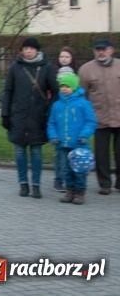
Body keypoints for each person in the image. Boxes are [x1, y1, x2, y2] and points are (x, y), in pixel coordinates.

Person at [1, 37, 58, 198]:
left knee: (36, 151)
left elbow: (55, 92)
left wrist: (49, 109)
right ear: (22, 50)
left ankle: (36, 184)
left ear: (37, 50)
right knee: (19, 151)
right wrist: (5, 113)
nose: (28, 51)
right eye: (25, 48)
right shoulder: (15, 67)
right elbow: (8, 91)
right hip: (18, 115)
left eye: (31, 48)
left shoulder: (46, 68)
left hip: (38, 116)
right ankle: (23, 183)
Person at [77, 38, 120, 195]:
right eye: (97, 49)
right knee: (101, 154)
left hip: (119, 116)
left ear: (111, 50)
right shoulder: (85, 70)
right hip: (98, 118)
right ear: (94, 51)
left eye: (104, 49)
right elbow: (81, 95)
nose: (100, 52)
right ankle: (104, 184)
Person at [47, 72, 97, 205]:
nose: (64, 88)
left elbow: (90, 121)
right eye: (62, 86)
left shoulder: (83, 104)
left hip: (79, 144)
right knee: (65, 169)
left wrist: (84, 134)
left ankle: (80, 191)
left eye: (67, 86)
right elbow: (51, 123)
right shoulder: (57, 105)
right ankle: (70, 190)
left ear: (74, 87)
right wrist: (53, 136)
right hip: (62, 144)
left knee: (79, 170)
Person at [52, 46, 79, 192]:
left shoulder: (75, 75)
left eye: (67, 57)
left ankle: (72, 180)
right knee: (59, 153)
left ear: (72, 59)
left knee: (71, 152)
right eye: (61, 56)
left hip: (72, 115)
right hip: (59, 111)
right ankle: (58, 179)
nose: (64, 59)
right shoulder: (53, 73)